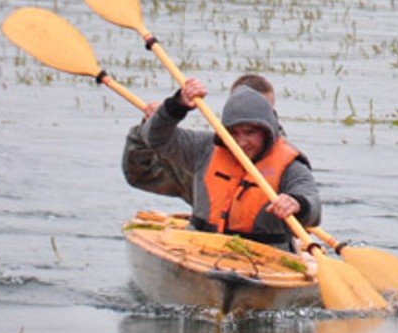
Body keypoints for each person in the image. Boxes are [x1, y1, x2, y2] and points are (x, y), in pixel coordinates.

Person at [133, 74, 321, 250]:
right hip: (202, 246)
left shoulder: (291, 165)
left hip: (265, 255)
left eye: (249, 133)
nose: (240, 143)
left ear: (267, 132)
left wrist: (297, 203)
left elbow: (313, 208)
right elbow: (154, 137)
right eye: (234, 133)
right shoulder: (204, 148)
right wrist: (177, 105)